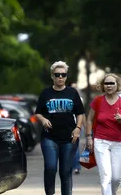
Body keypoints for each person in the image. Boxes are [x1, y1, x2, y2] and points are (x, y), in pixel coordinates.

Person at [35, 61, 85, 195]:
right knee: (50, 168)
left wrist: (78, 128)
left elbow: (80, 113)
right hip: (49, 137)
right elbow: (38, 112)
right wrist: (43, 119)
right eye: (57, 74)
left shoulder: (72, 92)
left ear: (66, 76)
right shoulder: (46, 92)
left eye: (63, 74)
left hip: (69, 137)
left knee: (66, 171)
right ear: (52, 76)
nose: (60, 77)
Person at [85, 73, 121, 195]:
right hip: (101, 142)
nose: (109, 85)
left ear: (117, 85)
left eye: (112, 83)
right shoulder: (97, 101)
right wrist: (89, 137)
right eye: (106, 83)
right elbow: (89, 119)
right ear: (103, 86)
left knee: (116, 178)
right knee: (106, 176)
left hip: (119, 143)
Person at [68, 82, 84, 175]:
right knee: (68, 147)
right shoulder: (67, 98)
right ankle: (70, 166)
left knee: (75, 146)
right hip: (67, 125)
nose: (75, 89)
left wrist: (84, 127)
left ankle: (76, 166)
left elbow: (82, 114)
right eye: (73, 87)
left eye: (76, 88)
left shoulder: (79, 99)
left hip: (76, 126)